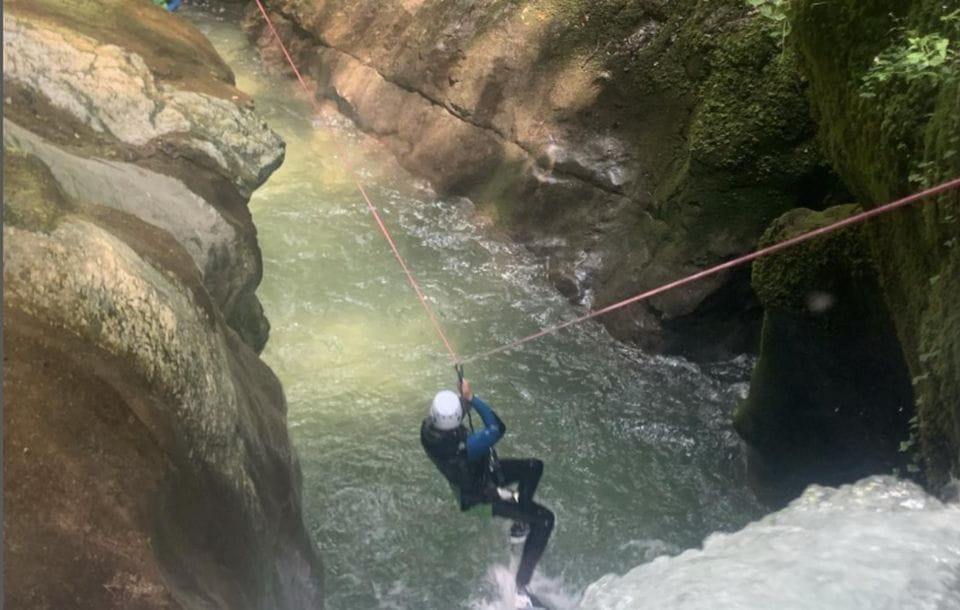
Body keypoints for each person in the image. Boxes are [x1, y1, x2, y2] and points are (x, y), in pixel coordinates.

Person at [420, 379, 554, 609]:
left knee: (534, 466)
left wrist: (463, 398)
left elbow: (453, 415)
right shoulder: (465, 448)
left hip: (482, 473)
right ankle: (521, 588)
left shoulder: (428, 432)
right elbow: (497, 428)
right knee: (545, 520)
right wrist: (473, 400)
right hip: (479, 497)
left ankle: (520, 522)